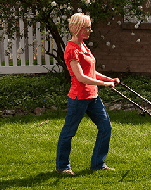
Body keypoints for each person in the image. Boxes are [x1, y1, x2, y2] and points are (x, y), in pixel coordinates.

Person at [56, 13, 119, 175]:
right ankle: (62, 166)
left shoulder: (83, 46)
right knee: (69, 132)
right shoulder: (71, 50)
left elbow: (90, 72)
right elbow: (81, 77)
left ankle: (98, 163)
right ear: (78, 28)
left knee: (106, 128)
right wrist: (104, 84)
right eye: (88, 27)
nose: (91, 30)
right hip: (78, 98)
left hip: (93, 96)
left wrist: (108, 78)